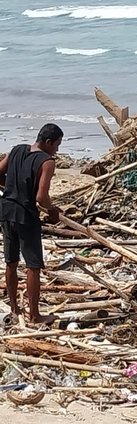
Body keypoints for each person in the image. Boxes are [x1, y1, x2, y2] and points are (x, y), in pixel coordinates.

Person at [0, 123, 63, 325]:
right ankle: (35, 315)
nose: (57, 149)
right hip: (26, 216)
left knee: (11, 261)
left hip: (6, 210)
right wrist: (52, 210)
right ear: (47, 142)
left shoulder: (17, 149)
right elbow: (41, 197)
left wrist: (10, 186)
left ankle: (14, 308)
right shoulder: (47, 162)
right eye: (57, 145)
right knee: (33, 265)